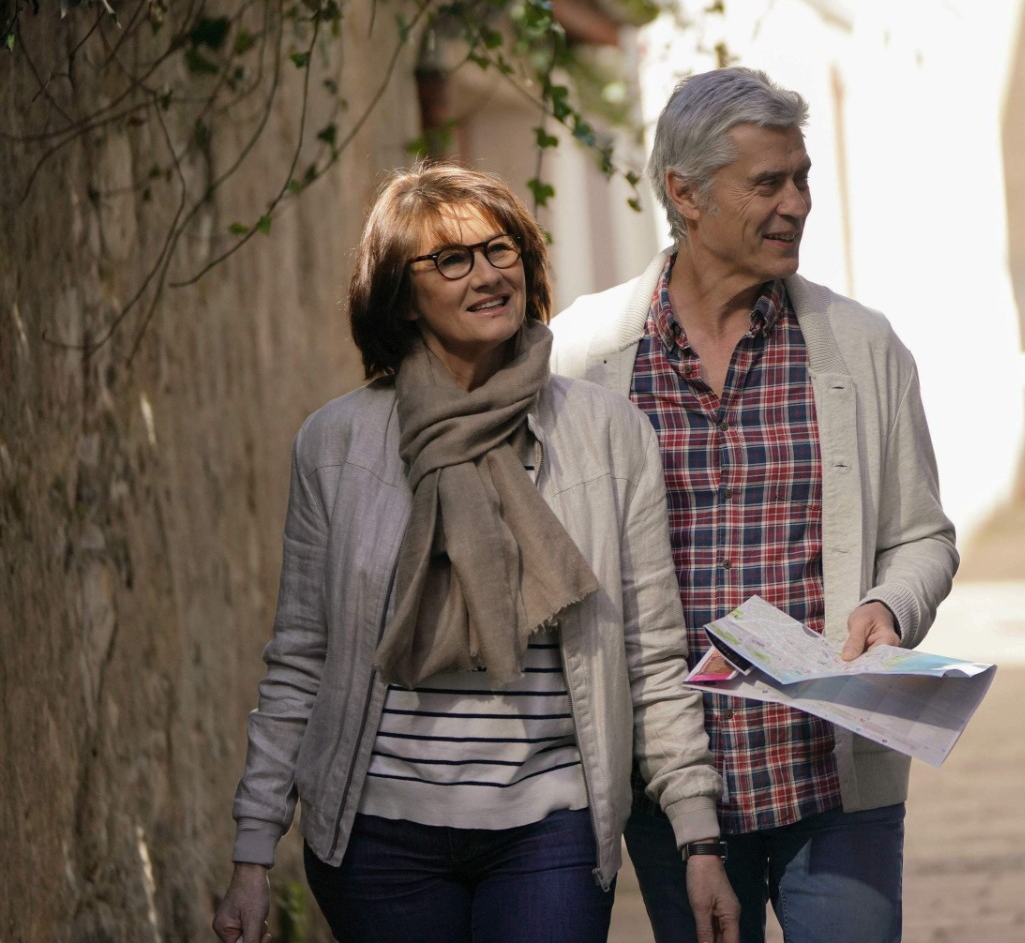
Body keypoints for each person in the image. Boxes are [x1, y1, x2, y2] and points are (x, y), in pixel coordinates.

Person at [212, 163, 737, 943]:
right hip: (376, 837)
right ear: (400, 293)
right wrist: (255, 848)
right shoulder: (337, 444)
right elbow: (301, 657)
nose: (488, 275)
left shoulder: (607, 436)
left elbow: (651, 654)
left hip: (548, 826)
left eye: (501, 250)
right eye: (451, 260)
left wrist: (698, 834)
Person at [549, 67, 958, 943]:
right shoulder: (585, 354)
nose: (797, 204)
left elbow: (923, 536)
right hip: (674, 785)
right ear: (685, 196)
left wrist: (890, 606)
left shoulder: (861, 346)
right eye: (767, 182)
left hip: (832, 776)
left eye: (801, 177)